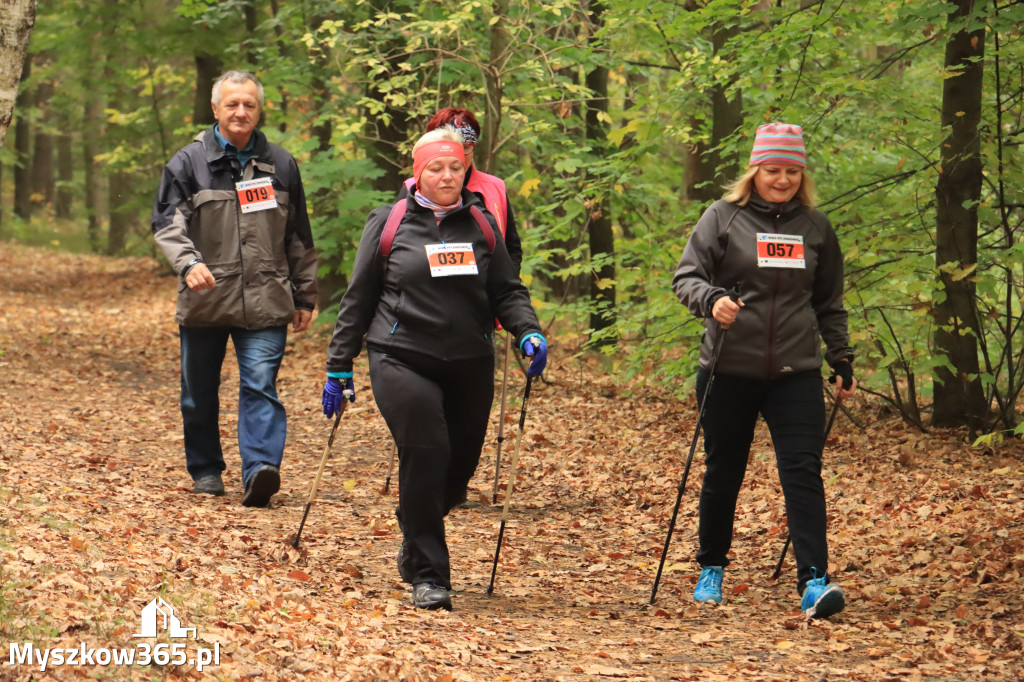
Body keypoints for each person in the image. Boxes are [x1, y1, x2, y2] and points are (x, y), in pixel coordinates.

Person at [322, 126, 547, 611]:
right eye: (435, 167)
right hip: (400, 355)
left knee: (458, 466)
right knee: (426, 449)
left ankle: (415, 517)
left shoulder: (481, 223)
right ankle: (430, 574)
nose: (447, 176)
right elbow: (358, 298)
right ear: (417, 172)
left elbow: (507, 290)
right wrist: (340, 366)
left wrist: (527, 331)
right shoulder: (390, 223)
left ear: (466, 170)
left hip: (470, 359)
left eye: (455, 167)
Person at [671, 122, 857, 619]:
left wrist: (841, 357)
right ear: (755, 170)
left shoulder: (815, 227)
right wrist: (712, 301)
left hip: (796, 370)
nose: (783, 179)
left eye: (792, 171)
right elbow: (686, 276)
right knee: (723, 471)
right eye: (773, 169)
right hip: (729, 367)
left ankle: (814, 581)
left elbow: (829, 301)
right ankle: (712, 566)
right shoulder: (723, 217)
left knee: (802, 471)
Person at [152, 70, 318, 508]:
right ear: (215, 109)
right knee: (198, 392)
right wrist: (188, 263)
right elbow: (167, 225)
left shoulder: (282, 164)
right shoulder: (187, 163)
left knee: (261, 384)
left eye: (249, 104)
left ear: (259, 109)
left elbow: (298, 235)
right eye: (232, 104)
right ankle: (206, 468)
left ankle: (261, 469)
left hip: (266, 297)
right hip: (206, 296)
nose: (240, 111)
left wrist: (305, 294)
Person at [398, 107, 522, 273]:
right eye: (449, 146)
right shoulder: (413, 189)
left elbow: (511, 249)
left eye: (465, 147)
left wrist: (506, 290)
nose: (459, 155)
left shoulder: (494, 188)